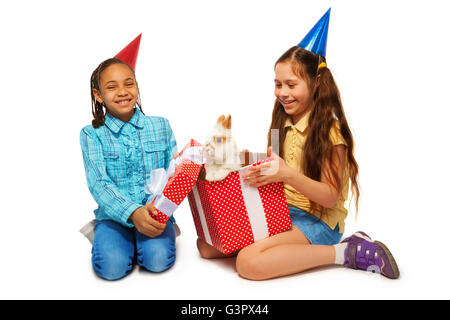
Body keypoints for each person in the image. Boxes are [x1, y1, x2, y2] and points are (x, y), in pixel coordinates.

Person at [196, 9, 399, 280]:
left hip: (318, 220)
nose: (282, 92)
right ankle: (272, 246)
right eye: (278, 84)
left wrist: (287, 175)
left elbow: (328, 195)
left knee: (247, 263)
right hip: (283, 208)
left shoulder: (329, 132)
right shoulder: (283, 121)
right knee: (208, 246)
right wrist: (241, 160)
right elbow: (276, 166)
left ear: (316, 82)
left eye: (291, 84)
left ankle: (345, 251)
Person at [80, 55, 178, 280]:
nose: (123, 92)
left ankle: (146, 242)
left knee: (157, 261)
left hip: (156, 214)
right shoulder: (91, 134)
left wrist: (159, 212)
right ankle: (111, 238)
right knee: (111, 268)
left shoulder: (160, 125)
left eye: (129, 83)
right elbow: (98, 183)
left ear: (137, 86)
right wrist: (133, 213)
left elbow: (173, 173)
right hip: (113, 217)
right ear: (99, 95)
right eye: (112, 87)